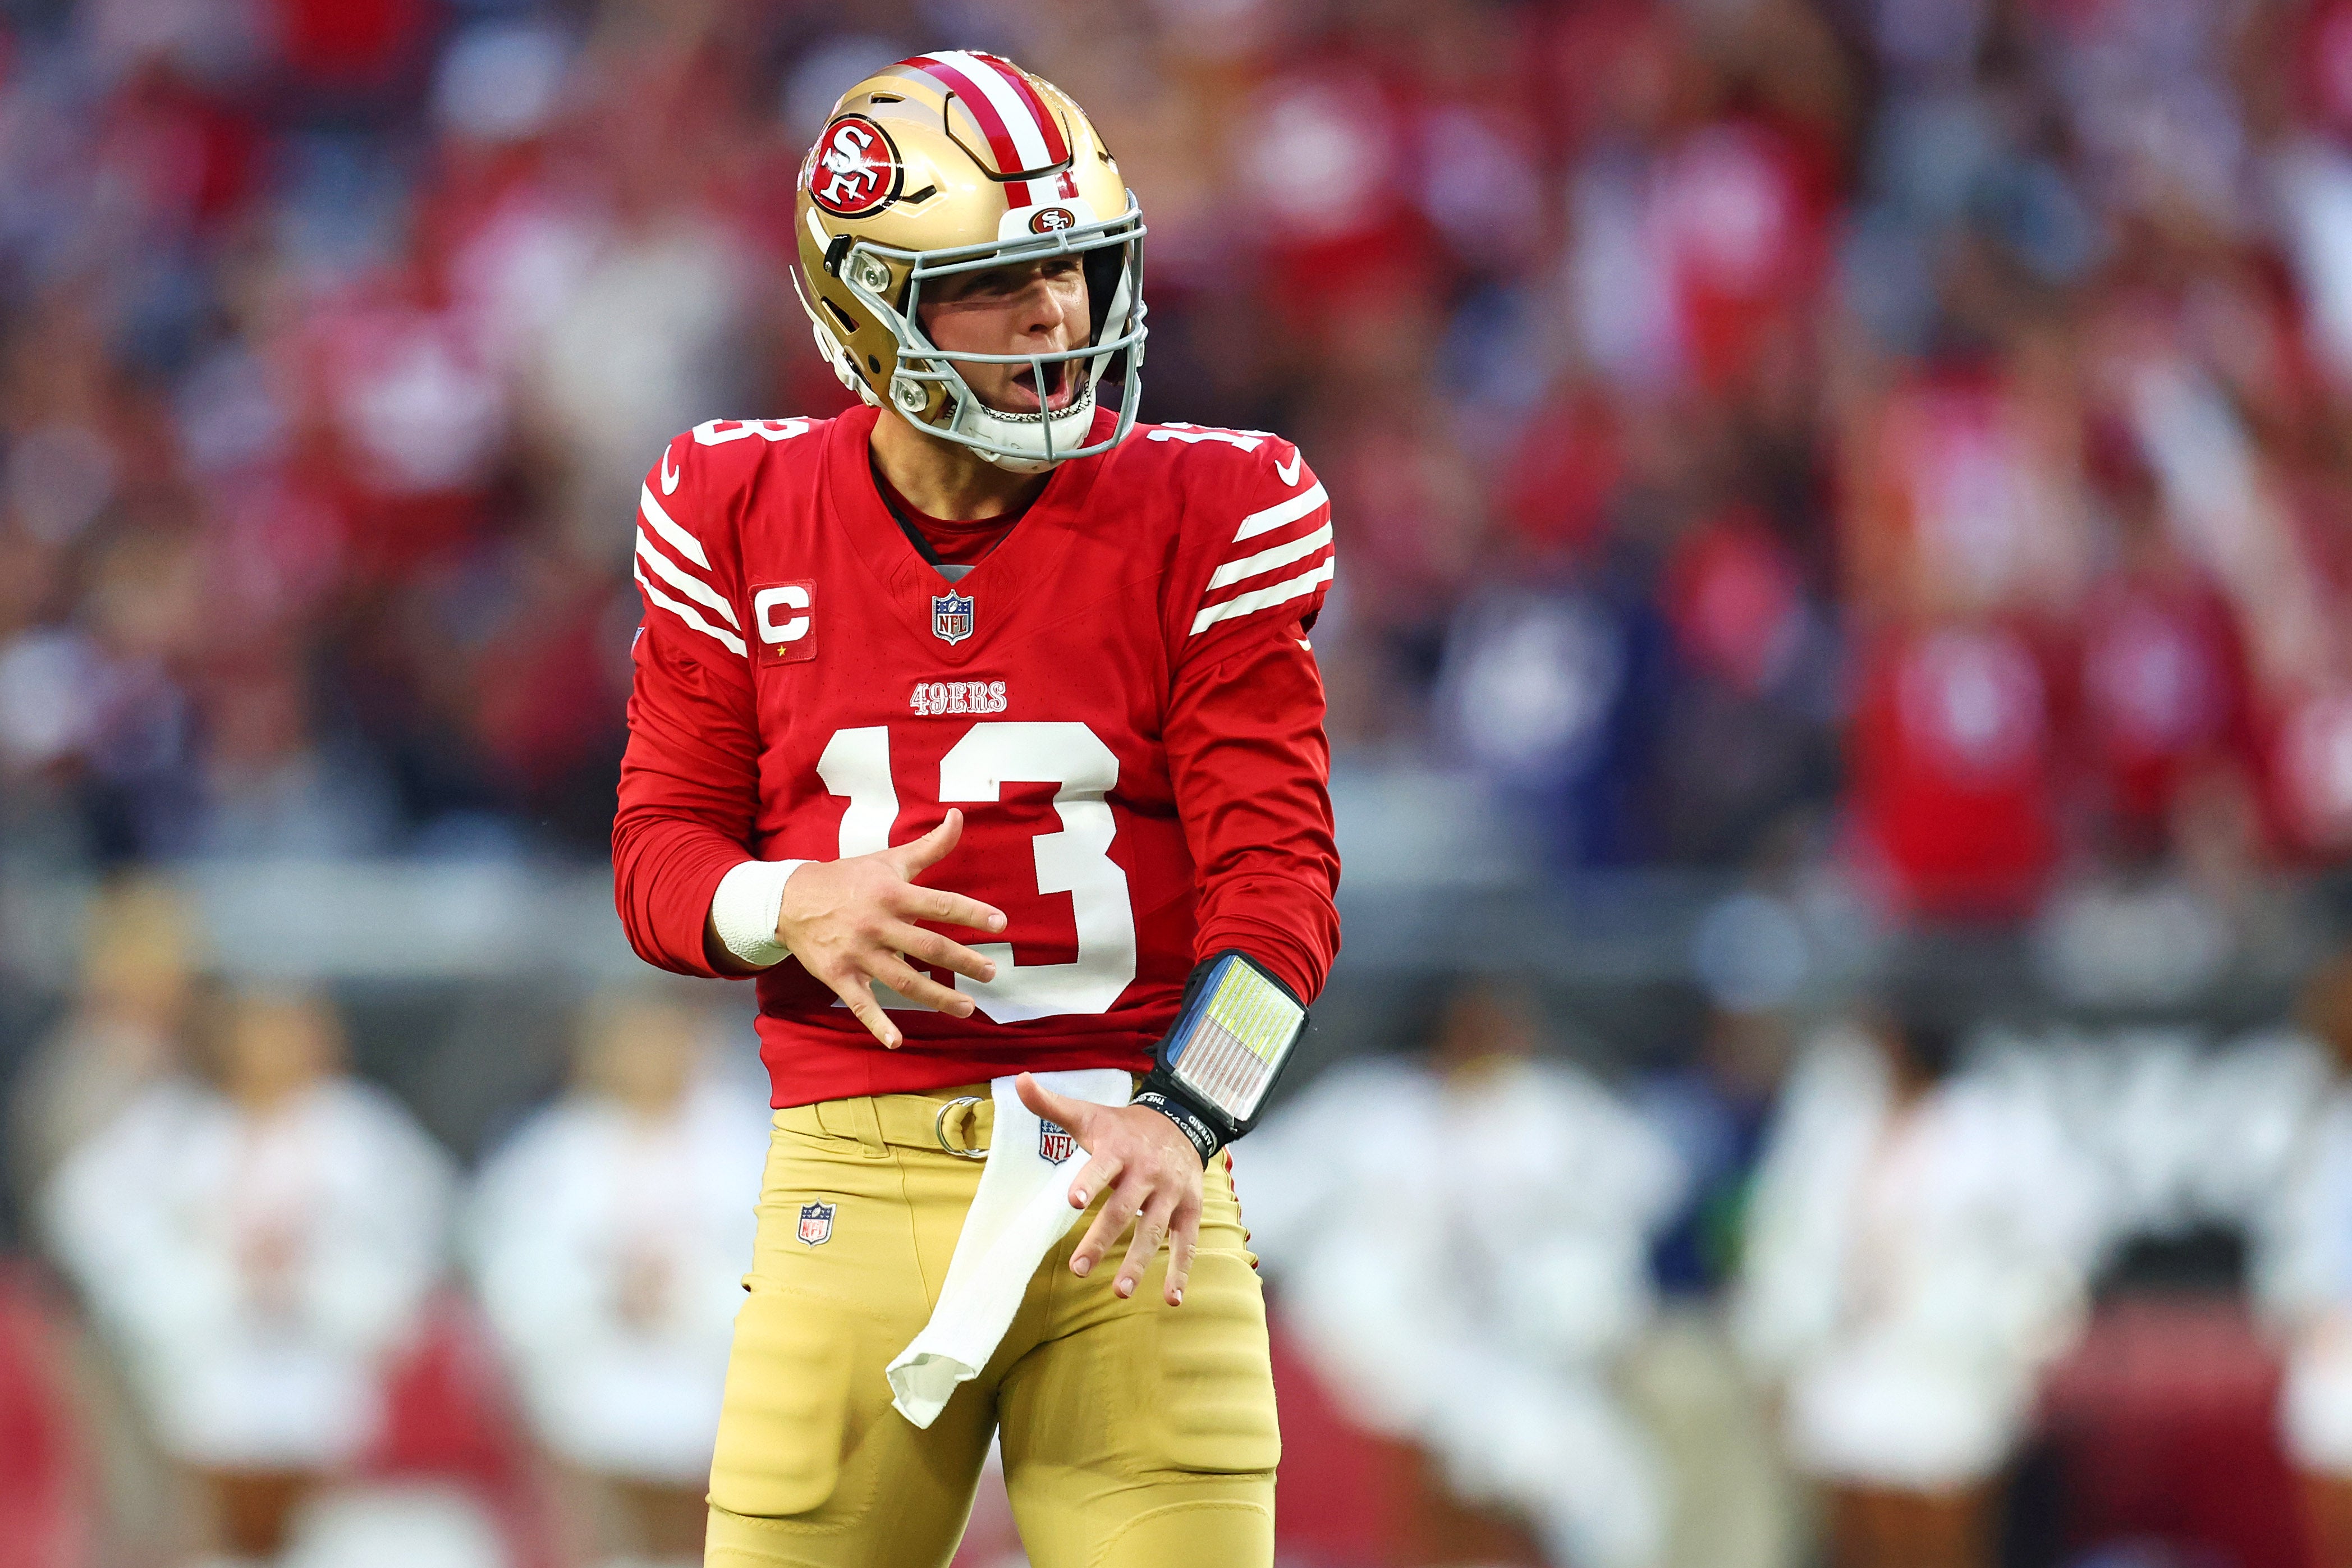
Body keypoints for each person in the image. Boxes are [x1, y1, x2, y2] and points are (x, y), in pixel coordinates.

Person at [608, 50, 1339, 1568]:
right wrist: (793, 900)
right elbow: (658, 859)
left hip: (1134, 1178)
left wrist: (1186, 1114)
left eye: (1073, 268)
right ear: (861, 304)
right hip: (854, 1172)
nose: (1059, 317)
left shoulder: (1212, 512)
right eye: (1001, 284)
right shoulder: (733, 506)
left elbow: (1279, 895)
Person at [1240, 979, 1684, 1568]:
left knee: (1592, 1488)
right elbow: (1257, 1191)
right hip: (1395, 1368)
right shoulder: (1372, 1112)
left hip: (1530, 1360)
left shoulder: (1555, 1110)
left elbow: (1653, 1177)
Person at [38, 984, 453, 1565]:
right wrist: (193, 1278)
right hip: (211, 1359)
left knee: (321, 1526)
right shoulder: (180, 1127)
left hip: (320, 1354)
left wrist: (335, 1283)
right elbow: (85, 1210)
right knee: (206, 1523)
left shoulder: (361, 1134)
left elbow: (423, 1226)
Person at [1734, 1002, 2098, 1568]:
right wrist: (1784, 1344)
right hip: (1854, 1362)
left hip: (1948, 1369)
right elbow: (1792, 1240)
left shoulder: (1993, 1128)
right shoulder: (1838, 1129)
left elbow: (2064, 1234)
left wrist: (2015, 1333)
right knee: (1860, 1538)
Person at [465, 984, 768, 1568]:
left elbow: (784, 1257)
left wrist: (686, 1289)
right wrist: (606, 1291)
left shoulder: (748, 1141)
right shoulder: (554, 1149)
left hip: (712, 1372)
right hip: (589, 1374)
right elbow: (511, 1262)